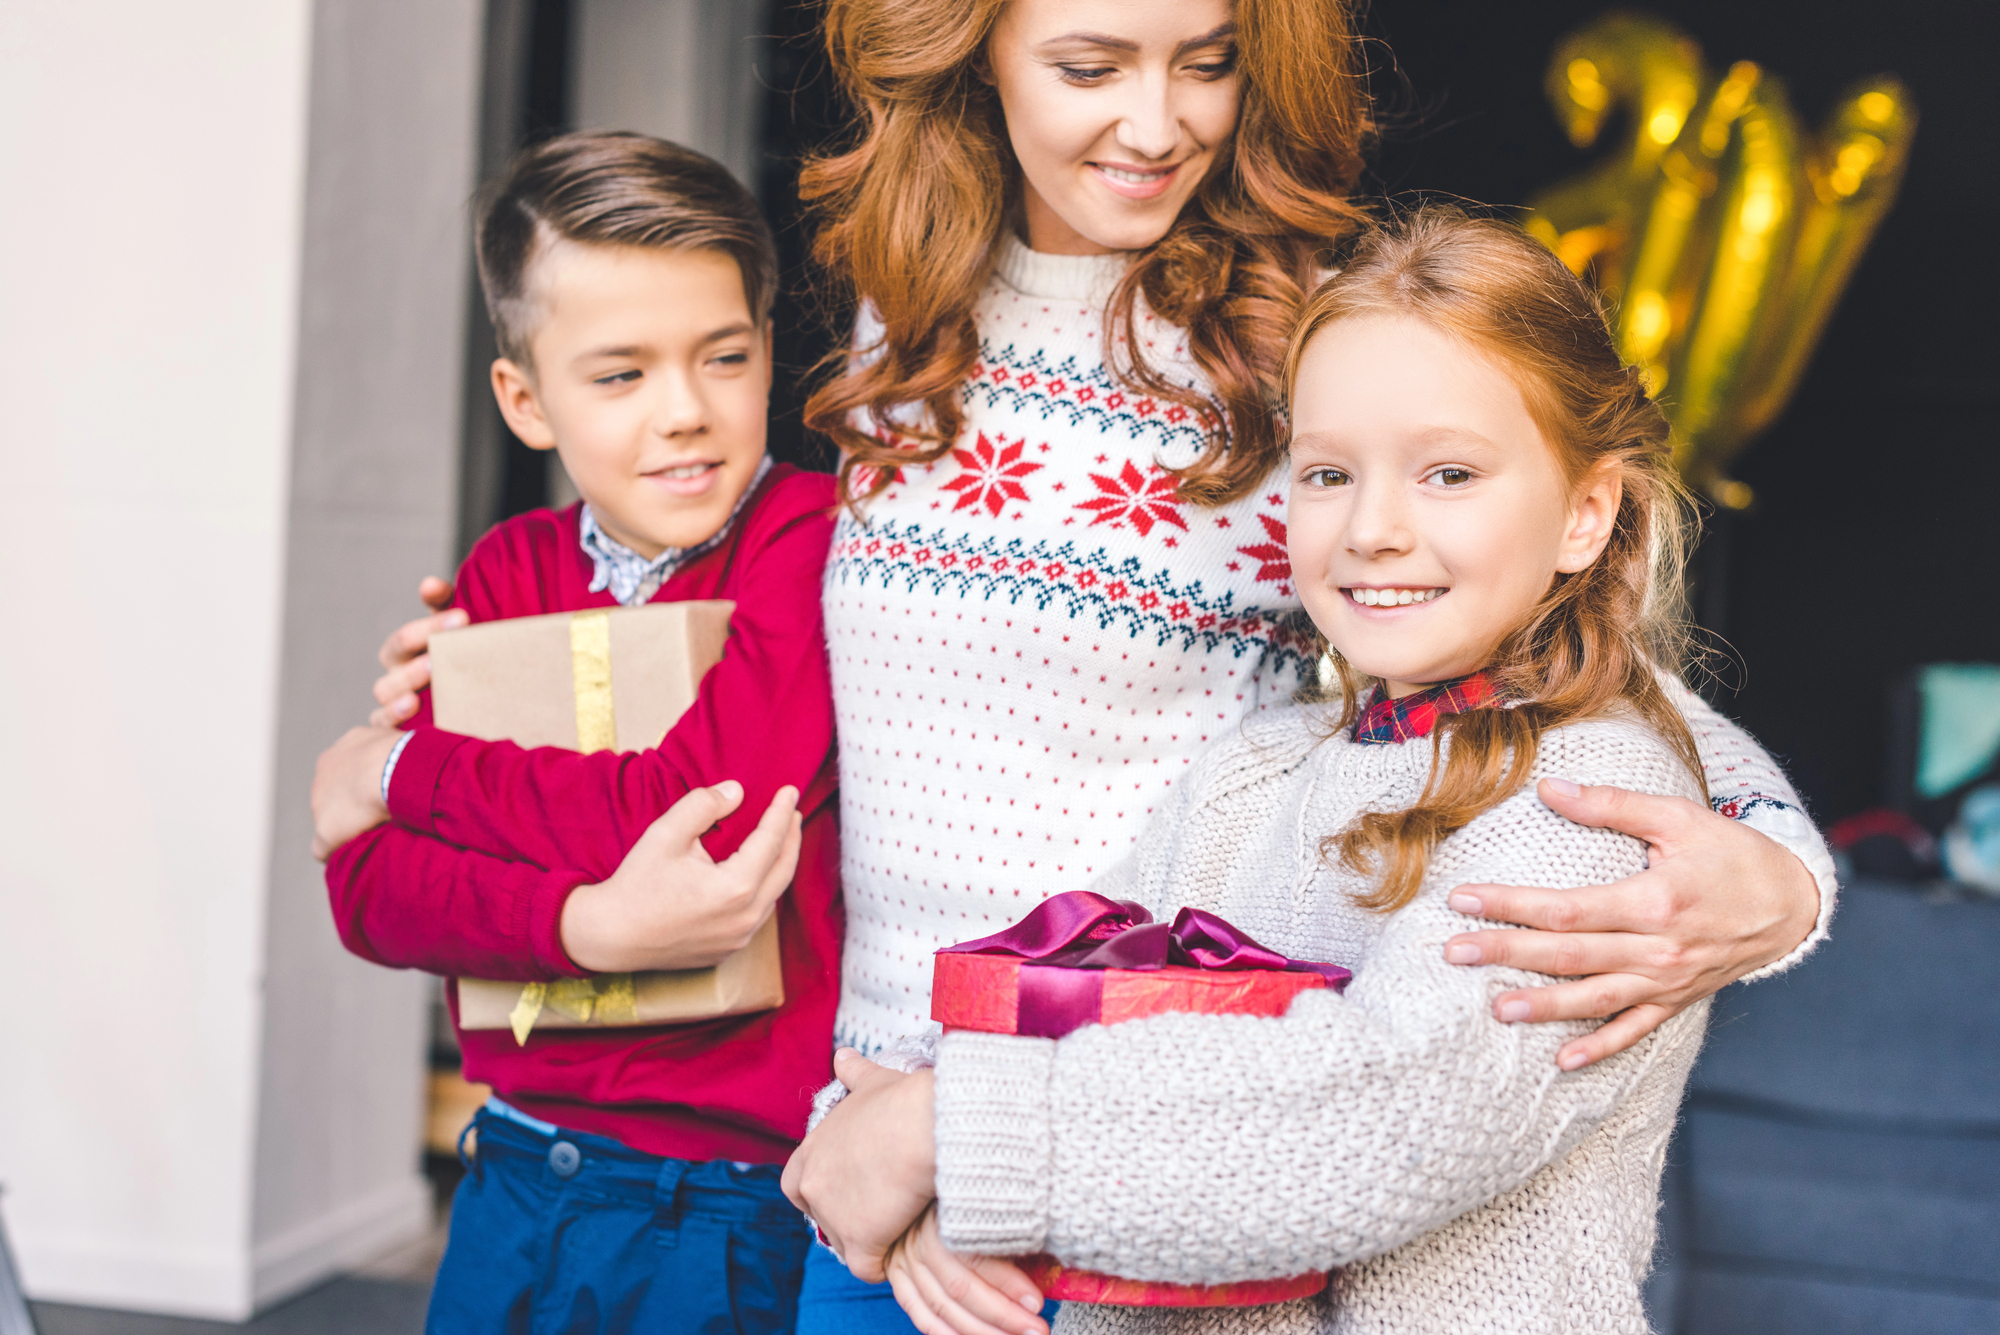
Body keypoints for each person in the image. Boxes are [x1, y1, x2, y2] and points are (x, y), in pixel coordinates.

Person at [369, 0, 1831, 1325]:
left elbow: (1576, 667)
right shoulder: (900, 321)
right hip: (862, 1129)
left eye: (1208, 63)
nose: (1158, 122)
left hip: (1135, 1158)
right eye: (1090, 66)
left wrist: (1778, 871)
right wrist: (456, 693)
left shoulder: (1297, 341)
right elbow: (764, 643)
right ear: (974, 53)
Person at [789, 207, 1742, 1335]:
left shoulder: (1586, 807)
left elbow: (1375, 1122)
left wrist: (939, 1140)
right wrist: (886, 1148)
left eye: (1446, 473)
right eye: (1327, 472)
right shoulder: (1255, 769)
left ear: (1586, 514)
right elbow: (1047, 1003)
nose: (1372, 528)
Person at [309, 132, 840, 1334]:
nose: (686, 413)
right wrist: (582, 920)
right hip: (512, 1172)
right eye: (620, 375)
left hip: (726, 1203)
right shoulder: (508, 571)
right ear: (524, 400)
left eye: (724, 356)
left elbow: (696, 810)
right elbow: (373, 893)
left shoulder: (804, 546)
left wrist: (399, 770)